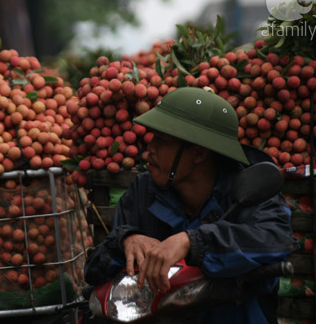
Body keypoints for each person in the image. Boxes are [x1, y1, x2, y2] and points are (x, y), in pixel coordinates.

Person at [84, 87, 297, 324]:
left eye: (162, 140)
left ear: (198, 153)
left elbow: (275, 239)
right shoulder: (143, 190)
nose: (150, 149)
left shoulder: (249, 189)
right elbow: (94, 269)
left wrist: (191, 241)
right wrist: (125, 240)